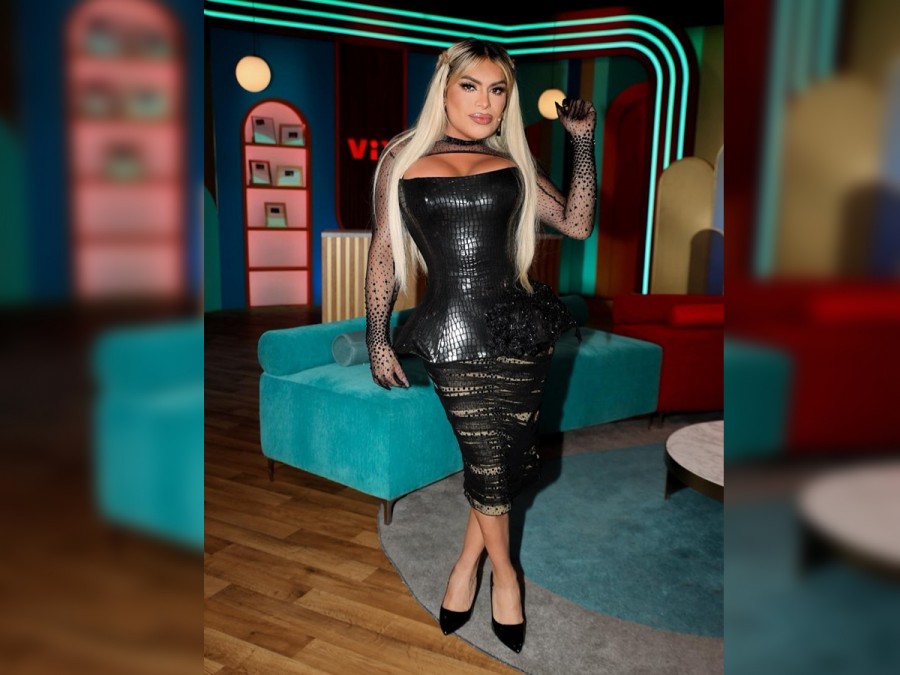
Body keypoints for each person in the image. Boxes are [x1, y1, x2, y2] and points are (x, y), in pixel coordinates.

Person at [364, 38, 596, 654]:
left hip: (521, 330)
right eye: (471, 86)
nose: (485, 102)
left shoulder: (512, 160)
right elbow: (384, 251)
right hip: (451, 332)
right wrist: (376, 336)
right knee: (489, 460)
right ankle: (505, 575)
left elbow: (577, 223)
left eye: (498, 90)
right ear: (444, 89)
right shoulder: (400, 157)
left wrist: (581, 142)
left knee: (499, 461)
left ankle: (469, 567)